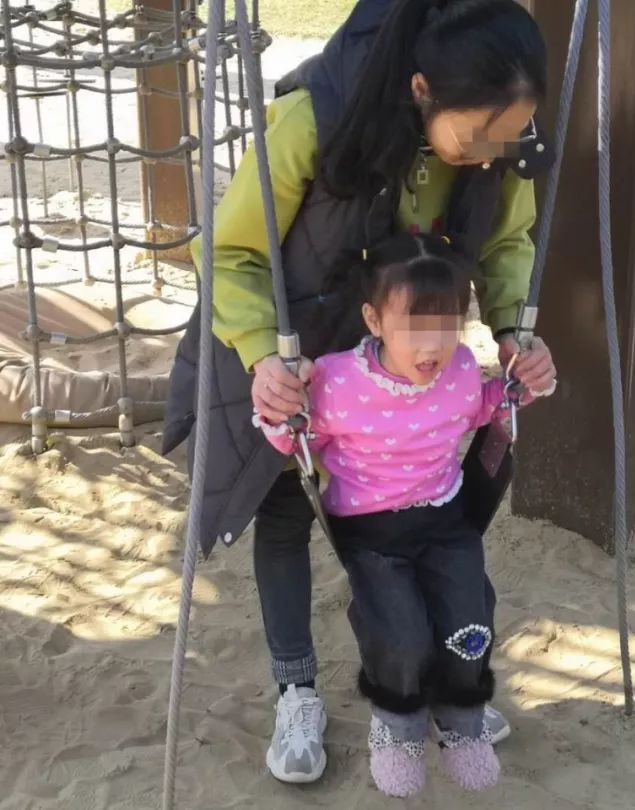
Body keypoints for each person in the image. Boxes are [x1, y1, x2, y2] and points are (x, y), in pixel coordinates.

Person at [162, 0, 557, 785]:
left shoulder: (496, 144)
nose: (497, 151)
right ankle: (297, 688)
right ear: (421, 88)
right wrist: (261, 357)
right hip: (297, 353)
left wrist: (516, 328)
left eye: (512, 133)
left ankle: (440, 684)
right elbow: (233, 251)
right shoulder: (315, 120)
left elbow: (509, 240)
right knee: (285, 512)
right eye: (482, 132)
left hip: (406, 366)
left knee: (421, 520)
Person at [257, 233, 556, 796]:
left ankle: (461, 722)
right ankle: (397, 730)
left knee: (470, 620)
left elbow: (482, 405)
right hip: (371, 533)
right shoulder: (336, 381)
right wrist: (281, 416)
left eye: (447, 328)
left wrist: (520, 389)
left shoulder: (461, 368)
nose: (431, 348)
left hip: (445, 519)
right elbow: (297, 438)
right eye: (414, 329)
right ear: (373, 319)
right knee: (402, 635)